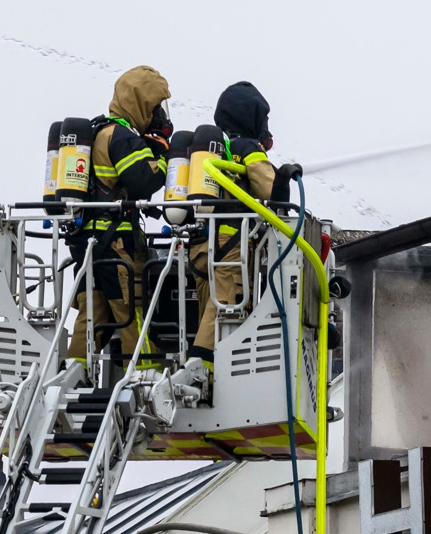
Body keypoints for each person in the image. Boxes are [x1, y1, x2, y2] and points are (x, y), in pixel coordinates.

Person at [66, 65, 173, 371]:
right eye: (154, 107)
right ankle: (144, 377)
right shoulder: (122, 136)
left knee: (91, 318)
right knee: (132, 314)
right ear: (140, 102)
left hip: (89, 244)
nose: (158, 115)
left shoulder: (100, 132)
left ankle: (73, 375)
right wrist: (161, 150)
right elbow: (145, 180)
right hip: (116, 247)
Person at [187, 81, 277, 369]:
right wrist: (284, 174)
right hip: (229, 250)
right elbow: (268, 189)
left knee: (208, 310)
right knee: (223, 309)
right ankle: (203, 371)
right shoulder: (246, 147)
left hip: (198, 246)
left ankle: (207, 366)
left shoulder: (208, 149)